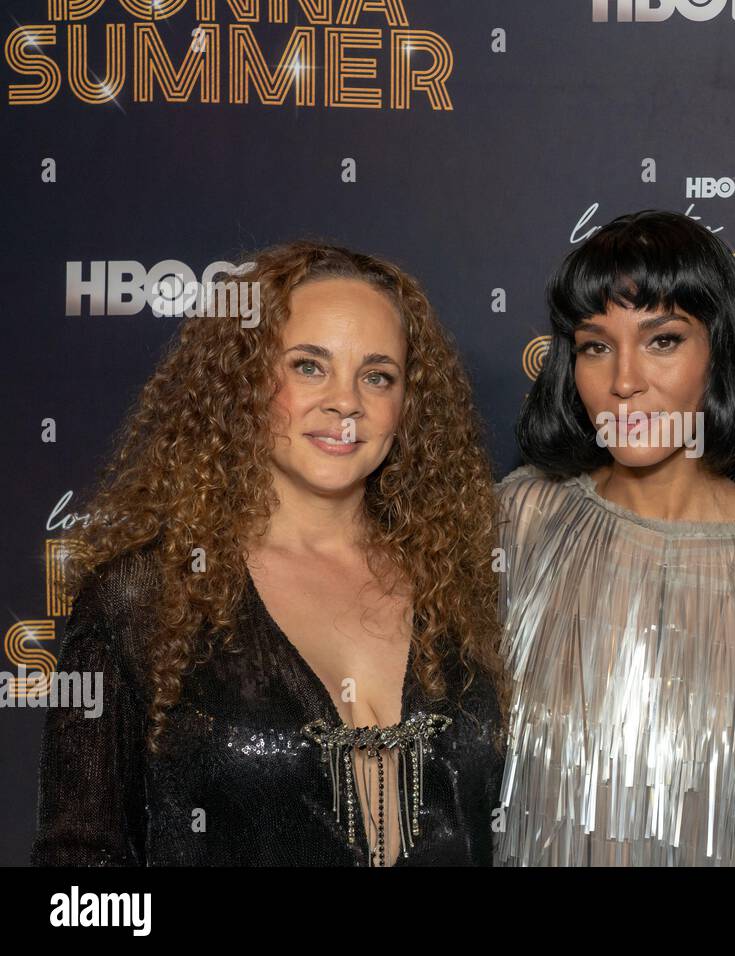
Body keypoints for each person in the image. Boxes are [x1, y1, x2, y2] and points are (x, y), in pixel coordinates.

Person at [32, 241, 507, 866]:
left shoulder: (459, 583)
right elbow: (76, 874)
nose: (346, 402)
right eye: (309, 365)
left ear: (408, 403)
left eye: (377, 375)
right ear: (246, 380)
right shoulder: (145, 596)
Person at [494, 210, 735, 866]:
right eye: (596, 345)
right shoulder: (522, 521)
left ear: (720, 350)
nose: (624, 382)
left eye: (662, 341)